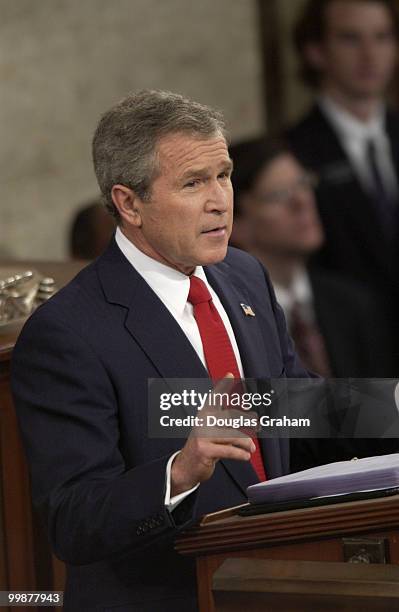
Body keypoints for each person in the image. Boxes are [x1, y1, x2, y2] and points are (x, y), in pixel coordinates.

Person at [11, 90, 309, 612]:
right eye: (194, 183)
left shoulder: (244, 275)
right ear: (129, 203)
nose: (220, 200)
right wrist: (180, 471)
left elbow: (299, 409)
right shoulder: (67, 334)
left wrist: (389, 408)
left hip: (279, 582)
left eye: (224, 174)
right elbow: (73, 519)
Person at [230, 136, 399, 470]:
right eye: (279, 195)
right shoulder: (231, 316)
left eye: (304, 184)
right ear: (237, 222)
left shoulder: (356, 304)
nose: (303, 201)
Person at [287, 0, 399, 296]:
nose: (370, 55)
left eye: (382, 37)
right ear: (316, 51)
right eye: (351, 38)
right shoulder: (292, 153)